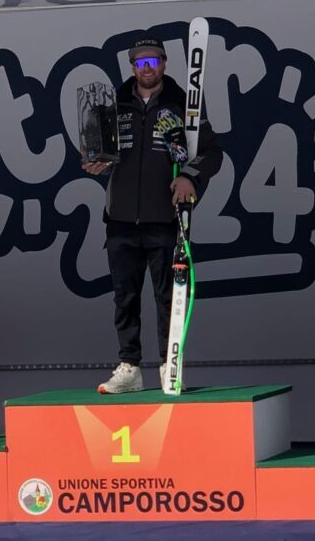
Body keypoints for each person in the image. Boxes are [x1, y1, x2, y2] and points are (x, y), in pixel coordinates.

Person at [83, 33, 222, 393]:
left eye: (153, 61)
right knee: (124, 296)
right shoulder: (113, 103)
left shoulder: (184, 102)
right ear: (132, 67)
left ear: (163, 63)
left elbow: (212, 152)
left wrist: (190, 176)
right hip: (120, 219)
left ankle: (168, 364)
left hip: (166, 217)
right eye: (140, 62)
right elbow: (97, 150)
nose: (147, 68)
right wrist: (96, 161)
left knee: (169, 297)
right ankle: (129, 366)